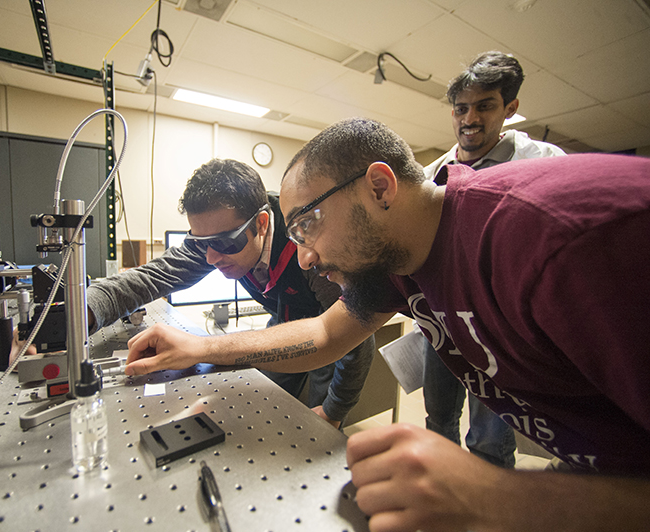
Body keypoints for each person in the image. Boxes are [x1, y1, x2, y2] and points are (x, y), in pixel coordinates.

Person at [124, 117, 650, 531]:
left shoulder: (563, 240)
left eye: (307, 225)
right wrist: (199, 347)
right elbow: (325, 335)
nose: (303, 259)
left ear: (379, 186)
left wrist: (494, 493)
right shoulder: (399, 261)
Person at [87, 158, 376, 428]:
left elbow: (355, 338)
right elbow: (147, 278)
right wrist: (76, 314)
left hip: (331, 327)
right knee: (261, 402)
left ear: (261, 224)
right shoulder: (217, 238)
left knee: (319, 422)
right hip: (283, 321)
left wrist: (333, 410)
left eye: (224, 244)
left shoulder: (308, 245)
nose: (211, 258)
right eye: (201, 244)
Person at [421, 51, 567, 468]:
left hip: (500, 331)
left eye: (485, 106)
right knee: (439, 421)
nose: (470, 118)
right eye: (461, 108)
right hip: (442, 325)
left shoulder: (544, 164)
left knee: (489, 440)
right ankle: (444, 497)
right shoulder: (435, 174)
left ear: (510, 108)